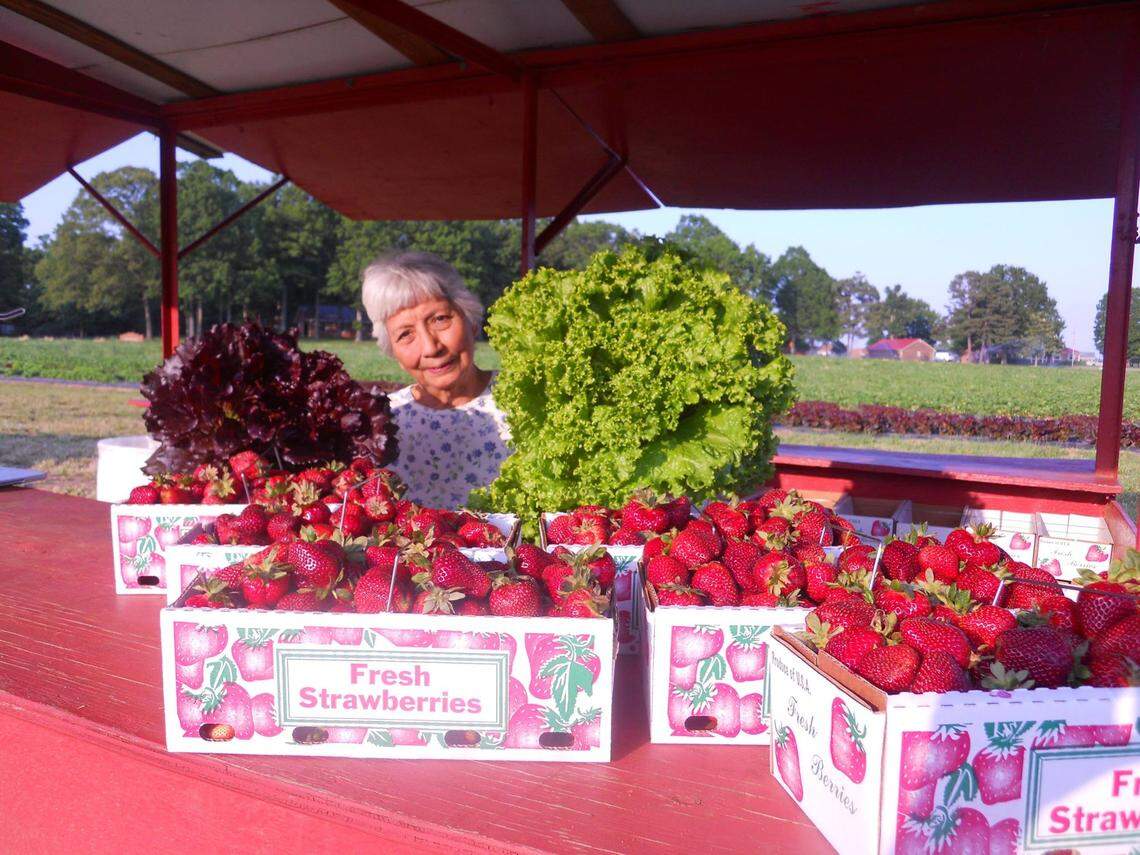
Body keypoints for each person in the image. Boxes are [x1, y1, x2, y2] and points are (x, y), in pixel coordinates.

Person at [361, 251, 511, 508]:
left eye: (440, 319)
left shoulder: (524, 400)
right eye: (405, 334)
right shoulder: (383, 422)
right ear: (393, 351)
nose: (431, 347)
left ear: (471, 321)